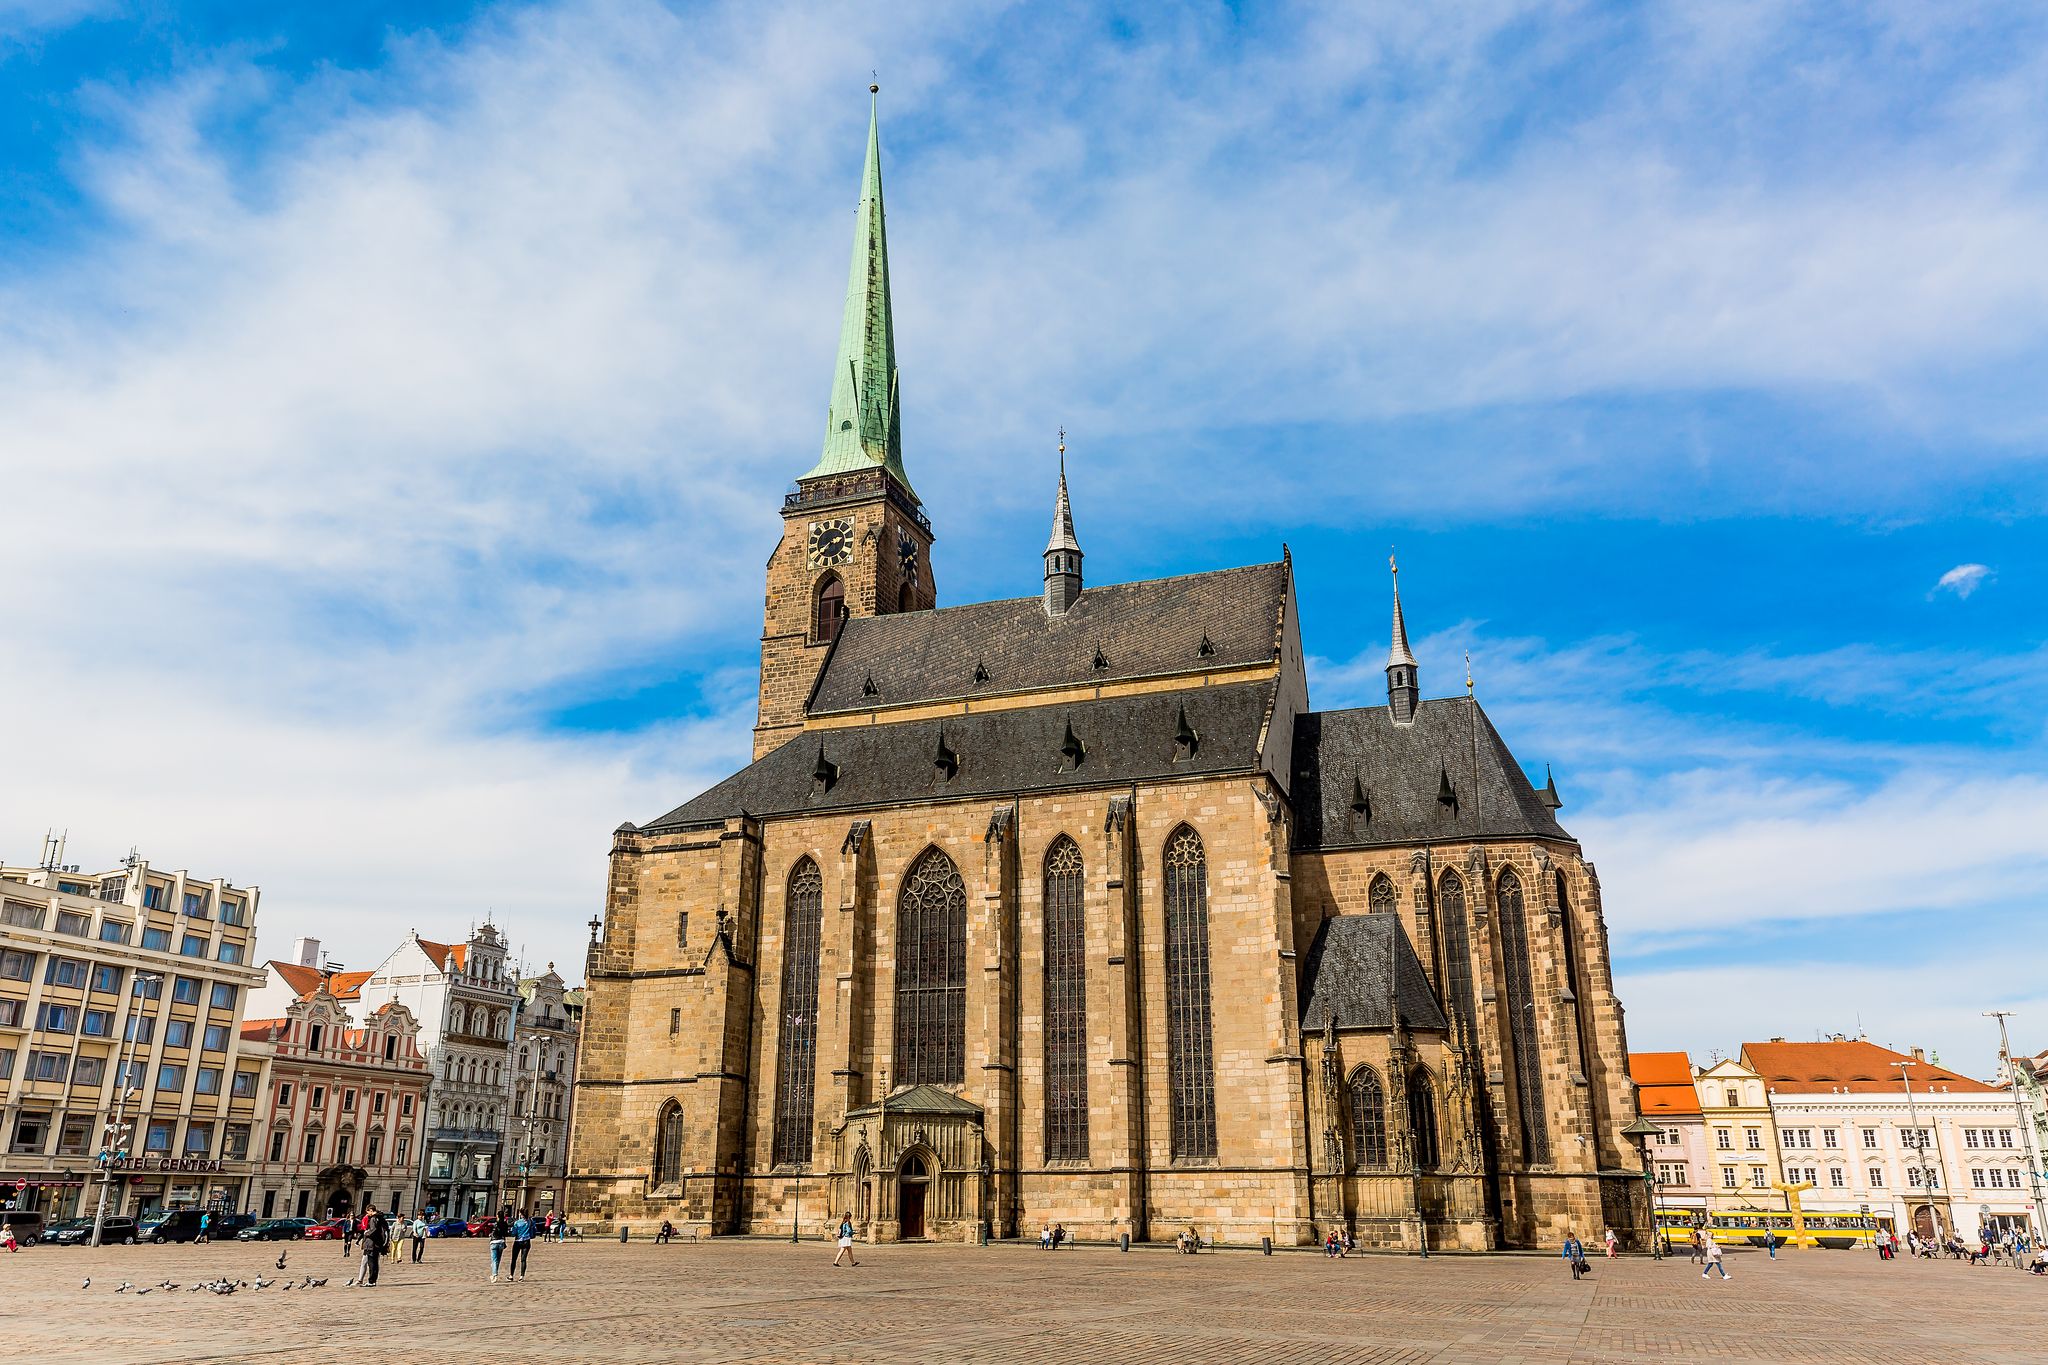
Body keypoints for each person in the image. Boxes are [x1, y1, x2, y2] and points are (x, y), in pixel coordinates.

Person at [510, 1209, 534, 1281]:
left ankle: (511, 1275)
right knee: (523, 1259)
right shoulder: (530, 1222)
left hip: (518, 1241)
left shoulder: (517, 1222)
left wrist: (512, 1232)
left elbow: (514, 1233)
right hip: (527, 1241)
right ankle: (522, 1276)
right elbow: (532, 1232)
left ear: (521, 1214)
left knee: (514, 1259)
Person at [488, 1210, 510, 1283]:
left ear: (497, 1216)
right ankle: (494, 1274)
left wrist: (491, 1234)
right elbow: (506, 1233)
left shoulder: (495, 1224)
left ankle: (494, 1275)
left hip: (494, 1242)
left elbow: (492, 1232)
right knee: (498, 1260)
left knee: (494, 1260)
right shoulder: (505, 1224)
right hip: (501, 1242)